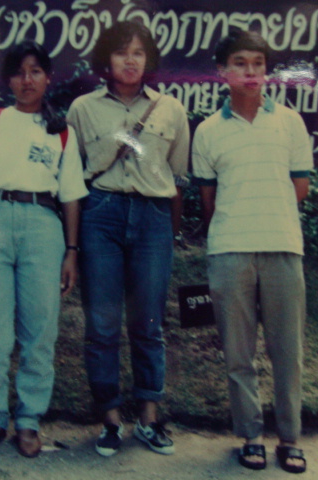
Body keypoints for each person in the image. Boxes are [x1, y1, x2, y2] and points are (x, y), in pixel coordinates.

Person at [0, 40, 88, 458]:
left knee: (39, 332)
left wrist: (71, 250)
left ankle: (29, 421)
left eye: (35, 71)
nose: (27, 80)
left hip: (42, 225)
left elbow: (71, 196)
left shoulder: (61, 131)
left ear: (48, 77)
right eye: (19, 72)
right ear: (8, 80)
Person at [67, 21, 190, 457]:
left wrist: (169, 230)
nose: (130, 60)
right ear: (107, 59)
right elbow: (71, 177)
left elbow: (177, 177)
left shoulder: (170, 109)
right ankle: (110, 421)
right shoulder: (82, 108)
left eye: (138, 52)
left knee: (148, 322)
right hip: (100, 214)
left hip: (153, 216)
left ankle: (149, 419)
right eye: (121, 52)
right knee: (102, 324)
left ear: (149, 59)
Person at [192, 30, 312, 474]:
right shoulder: (208, 131)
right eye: (240, 63)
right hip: (230, 251)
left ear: (267, 71)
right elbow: (208, 200)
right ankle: (251, 437)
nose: (250, 71)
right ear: (222, 71)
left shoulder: (290, 123)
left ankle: (290, 438)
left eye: (258, 63)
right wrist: (236, 225)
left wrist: (266, 215)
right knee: (238, 354)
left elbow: (299, 188)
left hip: (283, 247)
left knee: (287, 352)